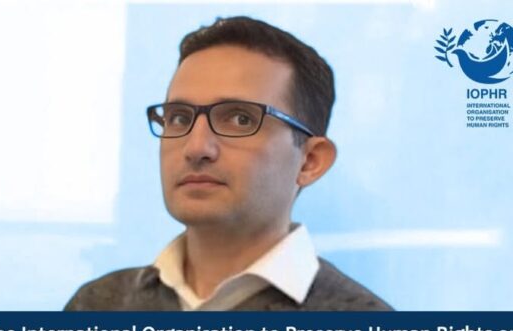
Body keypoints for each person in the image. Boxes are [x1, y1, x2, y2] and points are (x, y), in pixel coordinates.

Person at [66, 16, 391, 313]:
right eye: (179, 118)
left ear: (310, 161)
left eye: (239, 119)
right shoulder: (98, 304)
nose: (196, 148)